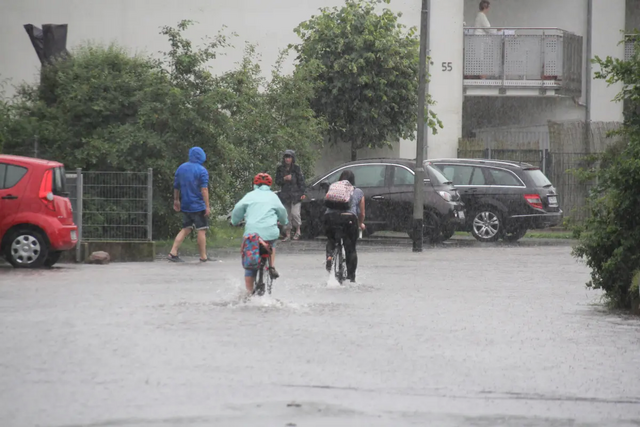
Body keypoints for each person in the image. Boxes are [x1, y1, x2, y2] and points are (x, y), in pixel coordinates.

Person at [231, 173, 289, 295]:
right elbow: (282, 211)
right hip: (270, 232)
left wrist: (234, 221)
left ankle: (248, 293)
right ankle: (272, 266)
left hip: (252, 234)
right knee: (272, 243)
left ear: (255, 184)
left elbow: (238, 207)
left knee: (250, 263)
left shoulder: (249, 196)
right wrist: (284, 222)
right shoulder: (273, 197)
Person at [168, 146, 211, 263]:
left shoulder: (181, 168)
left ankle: (173, 252)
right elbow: (204, 189)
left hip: (186, 204)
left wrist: (176, 200)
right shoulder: (202, 170)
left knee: (186, 228)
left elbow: (176, 186)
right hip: (198, 205)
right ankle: (203, 256)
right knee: (201, 230)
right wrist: (207, 206)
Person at [323, 170, 365, 283]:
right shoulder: (358, 191)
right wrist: (360, 223)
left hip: (330, 218)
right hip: (348, 219)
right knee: (350, 248)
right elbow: (362, 213)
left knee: (331, 239)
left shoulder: (333, 187)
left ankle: (330, 256)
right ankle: (351, 277)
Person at [275, 149, 306, 241]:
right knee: (286, 215)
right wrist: (284, 178)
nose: (287, 159)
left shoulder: (296, 168)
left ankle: (298, 230)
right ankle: (288, 234)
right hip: (285, 194)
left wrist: (302, 193)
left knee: (295, 213)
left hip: (296, 194)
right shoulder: (280, 169)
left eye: (289, 157)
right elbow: (277, 181)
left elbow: (301, 181)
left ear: (292, 158)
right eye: (286, 157)